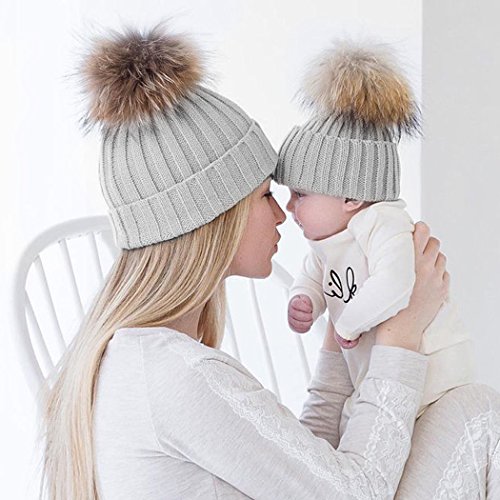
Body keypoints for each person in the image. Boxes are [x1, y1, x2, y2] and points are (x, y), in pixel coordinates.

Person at [38, 25, 499, 500]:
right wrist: (402, 334)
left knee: (473, 409)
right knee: (478, 413)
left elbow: (310, 470)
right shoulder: (177, 376)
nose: (282, 214)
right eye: (264, 195)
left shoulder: (145, 362)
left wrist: (341, 332)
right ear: (214, 218)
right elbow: (355, 494)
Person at [276, 41, 475, 436]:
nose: (289, 206)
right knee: (355, 430)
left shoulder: (384, 224)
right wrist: (304, 299)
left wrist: (347, 325)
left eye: (301, 194)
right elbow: (313, 276)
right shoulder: (328, 242)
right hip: (378, 372)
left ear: (351, 196)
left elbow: (395, 283)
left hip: (432, 375)